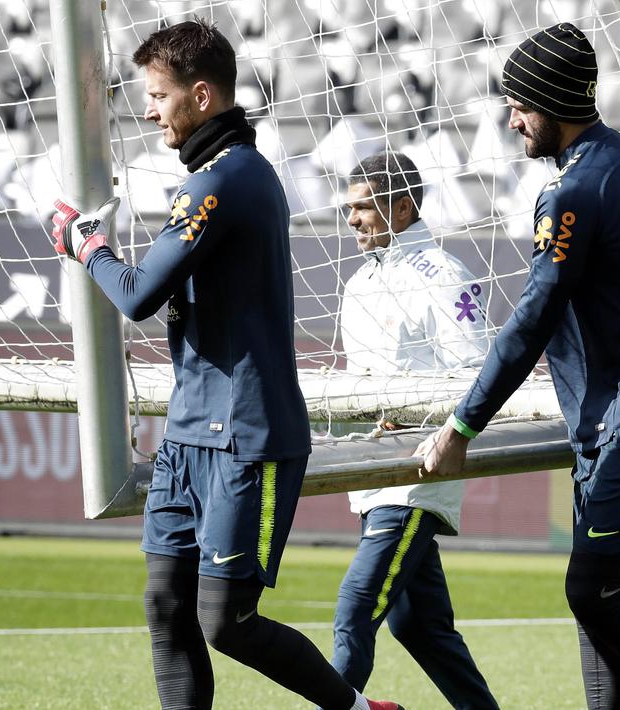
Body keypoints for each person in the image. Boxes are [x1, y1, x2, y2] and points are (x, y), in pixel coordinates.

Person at [49, 20, 401, 710]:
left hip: (246, 436)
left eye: (159, 96)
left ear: (201, 95)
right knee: (165, 605)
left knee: (226, 621)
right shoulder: (221, 177)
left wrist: (84, 244)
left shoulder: (226, 181)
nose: (149, 111)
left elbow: (138, 296)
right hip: (188, 434)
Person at [415, 23, 620, 710]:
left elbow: (533, 319)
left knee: (591, 591)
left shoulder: (574, 191)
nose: (511, 121)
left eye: (518, 106)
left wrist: (462, 425)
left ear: (552, 102)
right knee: (599, 607)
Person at [330, 151, 499, 709]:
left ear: (402, 208)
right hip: (376, 474)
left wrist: (417, 419)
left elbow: (477, 372)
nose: (351, 219)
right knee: (419, 626)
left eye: (362, 207)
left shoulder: (445, 274)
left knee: (356, 607)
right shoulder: (358, 282)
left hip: (418, 476)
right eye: (348, 208)